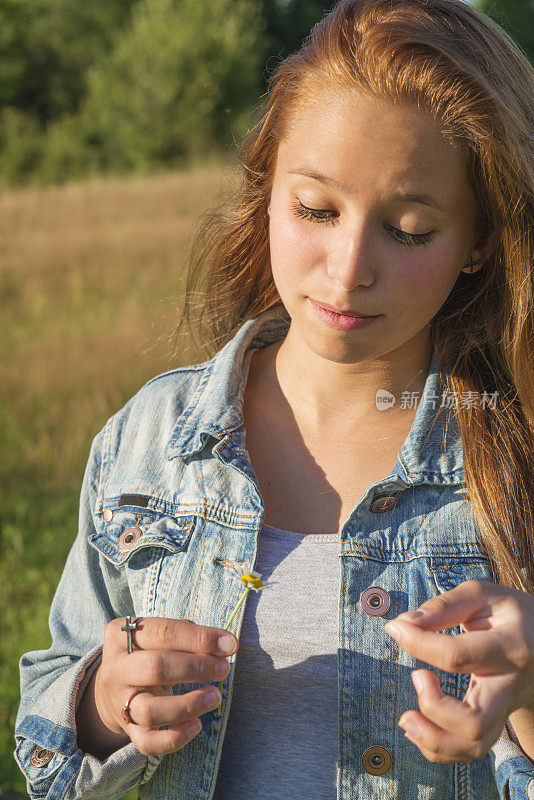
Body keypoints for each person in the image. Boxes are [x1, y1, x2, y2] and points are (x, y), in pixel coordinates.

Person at [14, 0, 534, 798]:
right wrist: (101, 702)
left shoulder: (515, 447)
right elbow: (51, 709)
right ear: (266, 195)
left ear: (478, 245)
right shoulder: (150, 441)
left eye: (409, 228)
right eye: (316, 210)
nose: (348, 266)